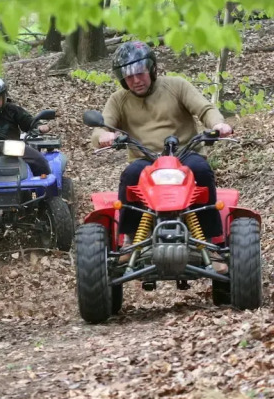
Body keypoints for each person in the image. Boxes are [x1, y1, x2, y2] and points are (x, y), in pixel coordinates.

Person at [91, 41, 232, 271]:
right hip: (145, 159)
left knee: (202, 170)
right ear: (122, 79)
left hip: (185, 153)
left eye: (140, 73)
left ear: (152, 69)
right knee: (130, 175)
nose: (136, 80)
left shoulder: (176, 86)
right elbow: (100, 128)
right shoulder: (119, 100)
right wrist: (104, 135)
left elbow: (204, 109)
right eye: (129, 76)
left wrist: (218, 124)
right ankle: (129, 240)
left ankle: (211, 242)